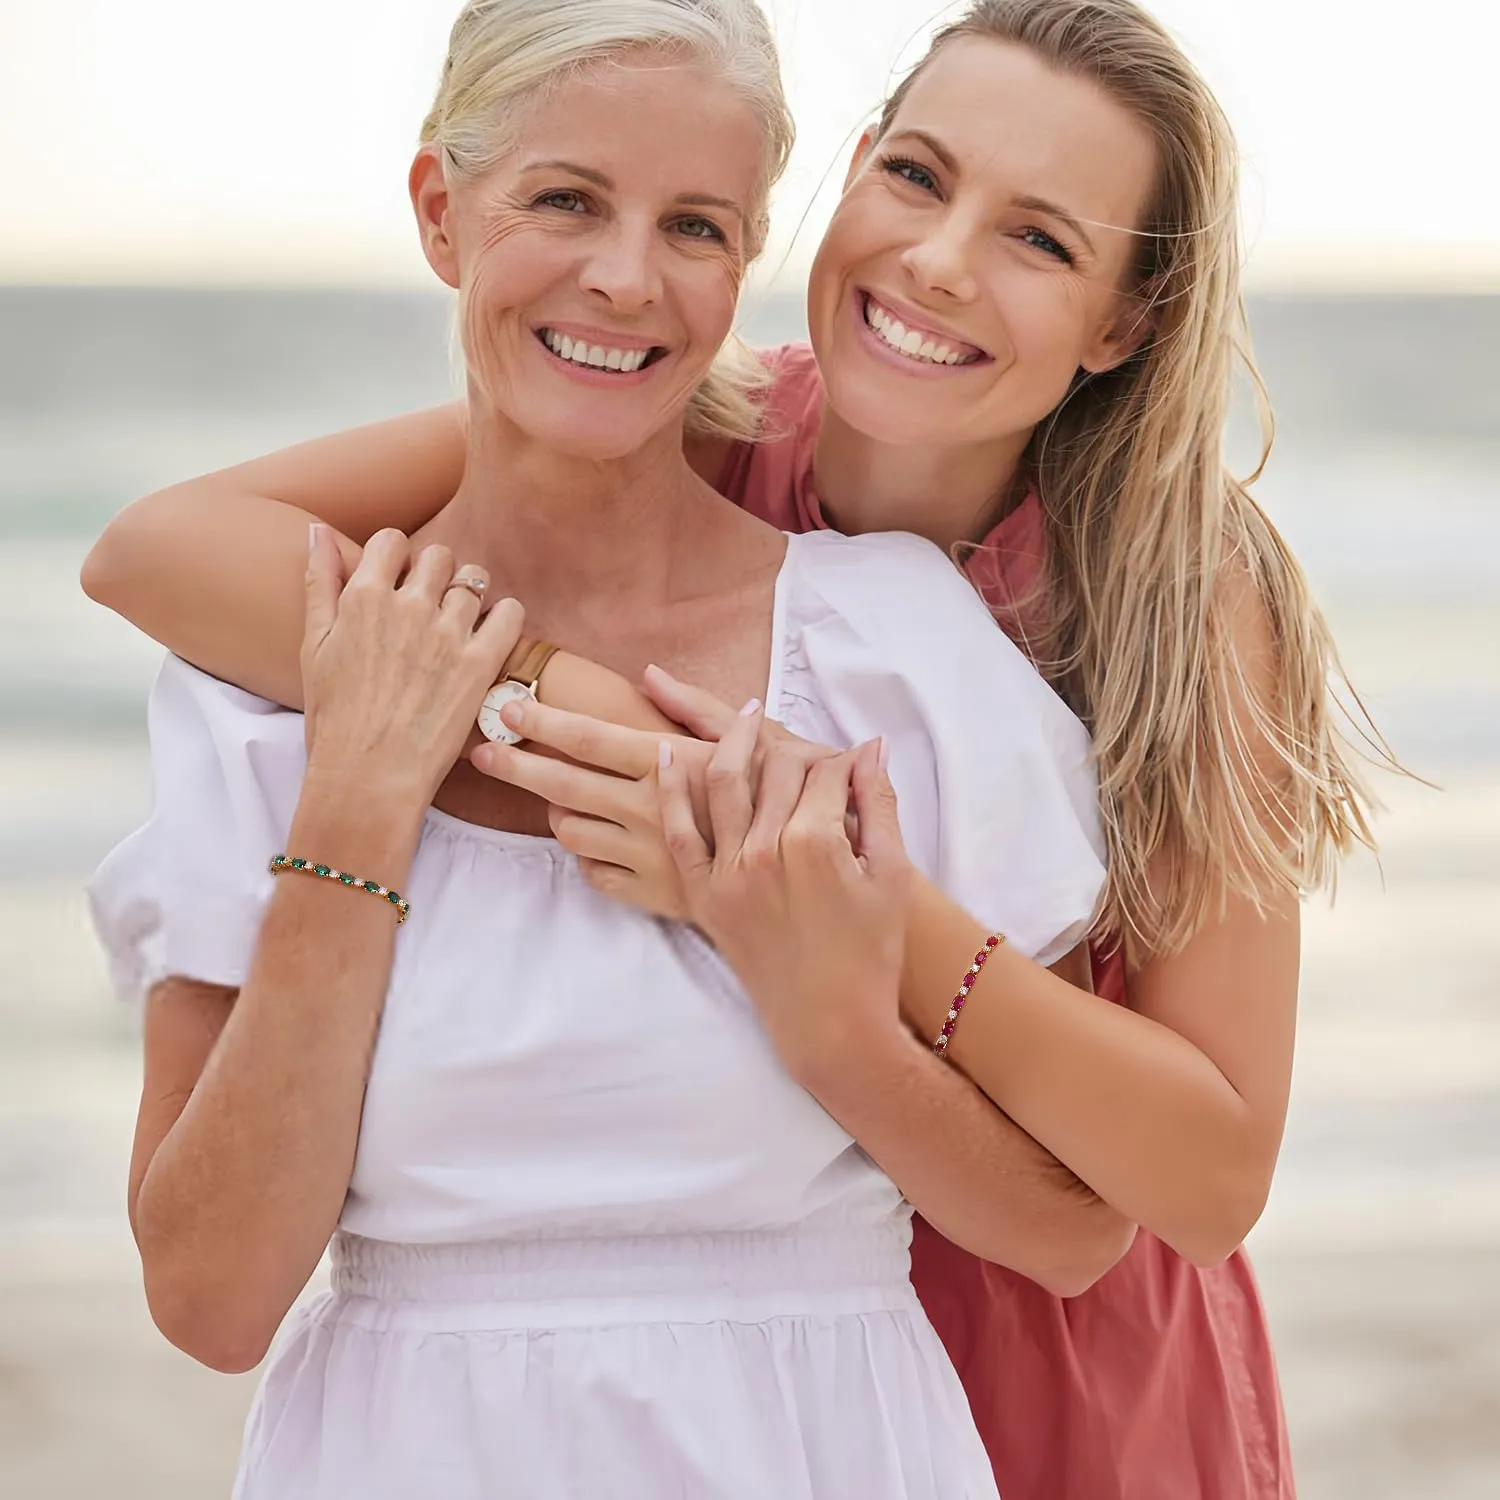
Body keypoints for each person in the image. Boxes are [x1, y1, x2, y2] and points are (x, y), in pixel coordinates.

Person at [83, 2, 1386, 1497]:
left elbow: (1206, 1176)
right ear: (843, 179)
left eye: (1040, 239)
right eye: (916, 176)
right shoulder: (686, 405)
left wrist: (825, 902)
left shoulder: (1179, 593)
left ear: (1122, 321)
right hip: (780, 1313)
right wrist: (579, 710)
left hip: (1047, 1322)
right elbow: (164, 550)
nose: (942, 259)